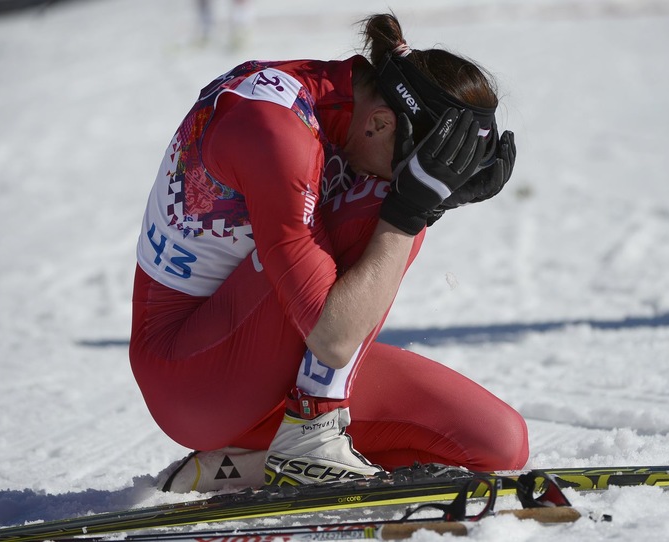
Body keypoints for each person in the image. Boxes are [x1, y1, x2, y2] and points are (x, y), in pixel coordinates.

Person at [130, 12, 527, 492]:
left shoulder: (358, 111)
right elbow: (333, 339)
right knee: (394, 201)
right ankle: (311, 433)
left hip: (274, 360)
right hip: (195, 381)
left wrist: (431, 199)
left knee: (499, 445)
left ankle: (242, 466)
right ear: (380, 122)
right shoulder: (276, 131)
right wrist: (414, 207)